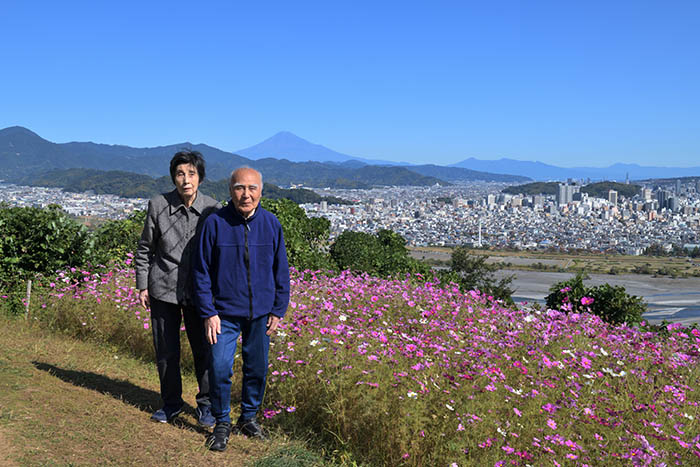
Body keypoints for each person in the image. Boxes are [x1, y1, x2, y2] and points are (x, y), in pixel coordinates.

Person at [193, 167, 290, 451]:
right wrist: (208, 312)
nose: (245, 194)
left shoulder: (271, 224)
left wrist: (278, 309)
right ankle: (222, 421)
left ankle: (248, 418)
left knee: (257, 368)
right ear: (230, 190)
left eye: (252, 188)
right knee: (220, 367)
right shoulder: (215, 223)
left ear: (261, 191)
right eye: (239, 188)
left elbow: (280, 270)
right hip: (223, 313)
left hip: (261, 313)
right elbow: (201, 271)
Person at [134, 150, 221, 427]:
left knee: (204, 351)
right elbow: (145, 249)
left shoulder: (213, 210)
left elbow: (219, 255)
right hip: (162, 288)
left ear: (200, 178)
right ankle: (171, 403)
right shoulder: (158, 205)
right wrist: (142, 285)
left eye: (191, 174)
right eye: (180, 174)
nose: (186, 180)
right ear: (173, 176)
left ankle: (206, 405)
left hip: (199, 293)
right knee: (166, 351)